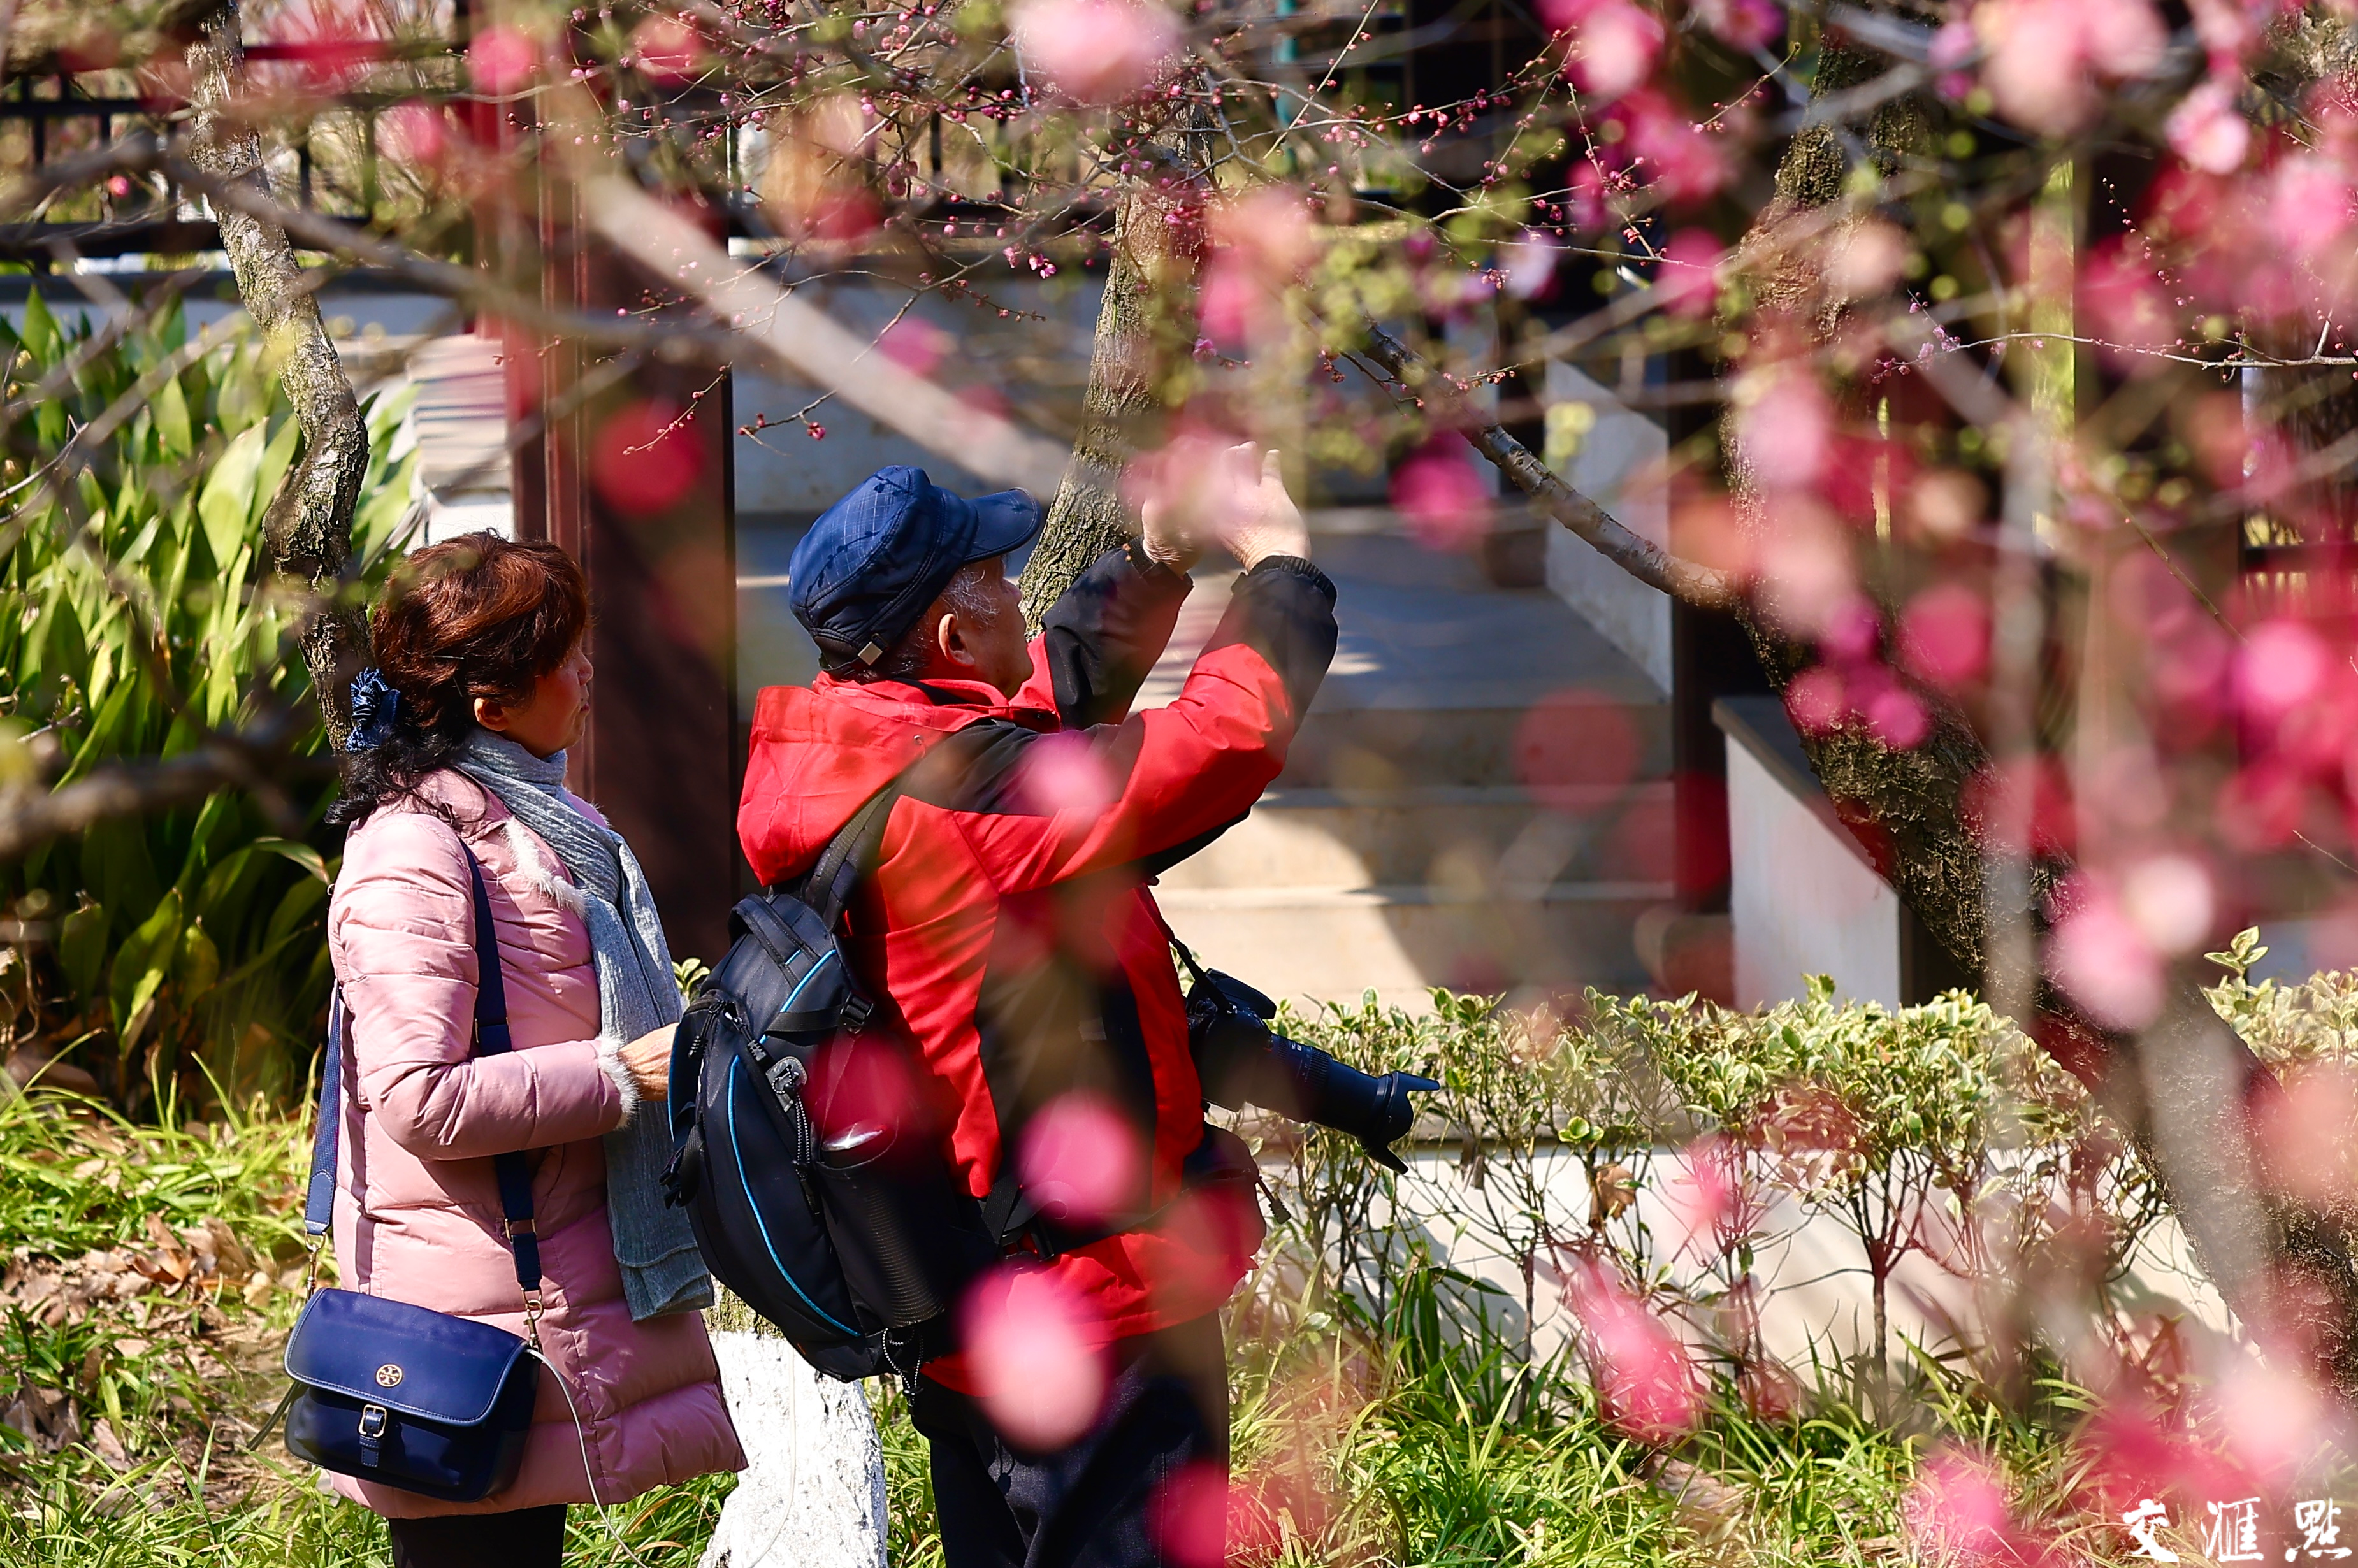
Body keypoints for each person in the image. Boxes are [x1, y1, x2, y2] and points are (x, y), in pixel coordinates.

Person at [737, 450, 1337, 1567]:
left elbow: (1035, 709)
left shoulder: (855, 753)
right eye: (999, 578)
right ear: (951, 641)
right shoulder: (967, 801)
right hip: (1092, 1321)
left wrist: (1155, 567)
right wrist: (1283, 569)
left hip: (971, 1302)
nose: (1024, 592)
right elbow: (1214, 747)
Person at [324, 533, 743, 1567]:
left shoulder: (534, 825)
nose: (591, 672)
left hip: (532, 1303)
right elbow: (416, 1097)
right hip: (470, 1330)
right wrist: (624, 1072)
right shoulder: (415, 852)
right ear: (493, 705)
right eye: (571, 654)